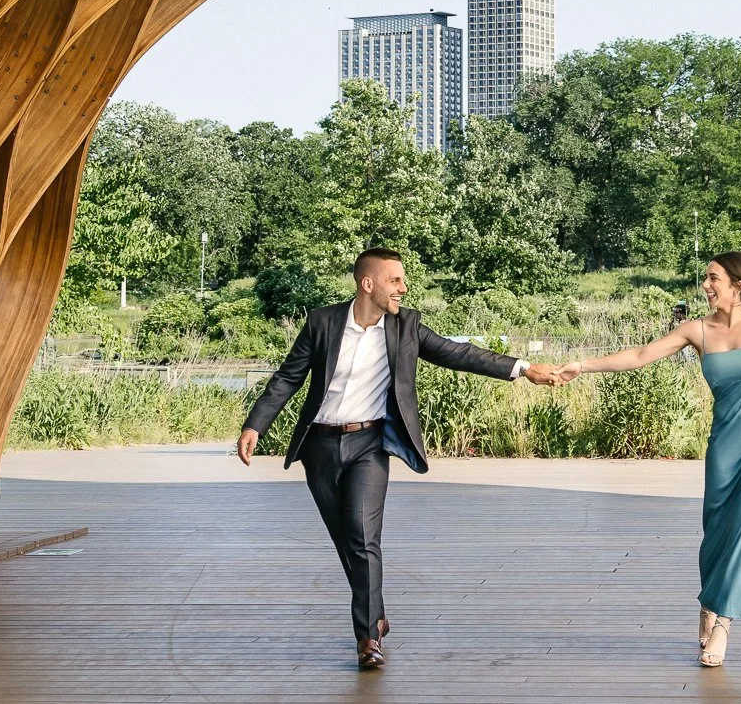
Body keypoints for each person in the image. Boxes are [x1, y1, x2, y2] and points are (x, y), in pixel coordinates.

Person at [237, 248, 562, 669]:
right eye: (395, 280)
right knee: (347, 542)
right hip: (319, 447)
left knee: (363, 537)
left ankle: (367, 638)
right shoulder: (323, 322)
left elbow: (458, 353)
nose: (403, 288)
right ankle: (376, 614)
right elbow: (288, 377)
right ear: (367, 283)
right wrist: (254, 425)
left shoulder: (405, 326)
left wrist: (524, 368)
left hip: (370, 445)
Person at [557, 251, 741, 667]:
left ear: (738, 285)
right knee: (716, 529)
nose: (706, 285)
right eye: (706, 278)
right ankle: (709, 602)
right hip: (725, 444)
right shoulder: (696, 331)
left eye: (713, 278)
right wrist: (581, 364)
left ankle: (724, 623)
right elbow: (639, 356)